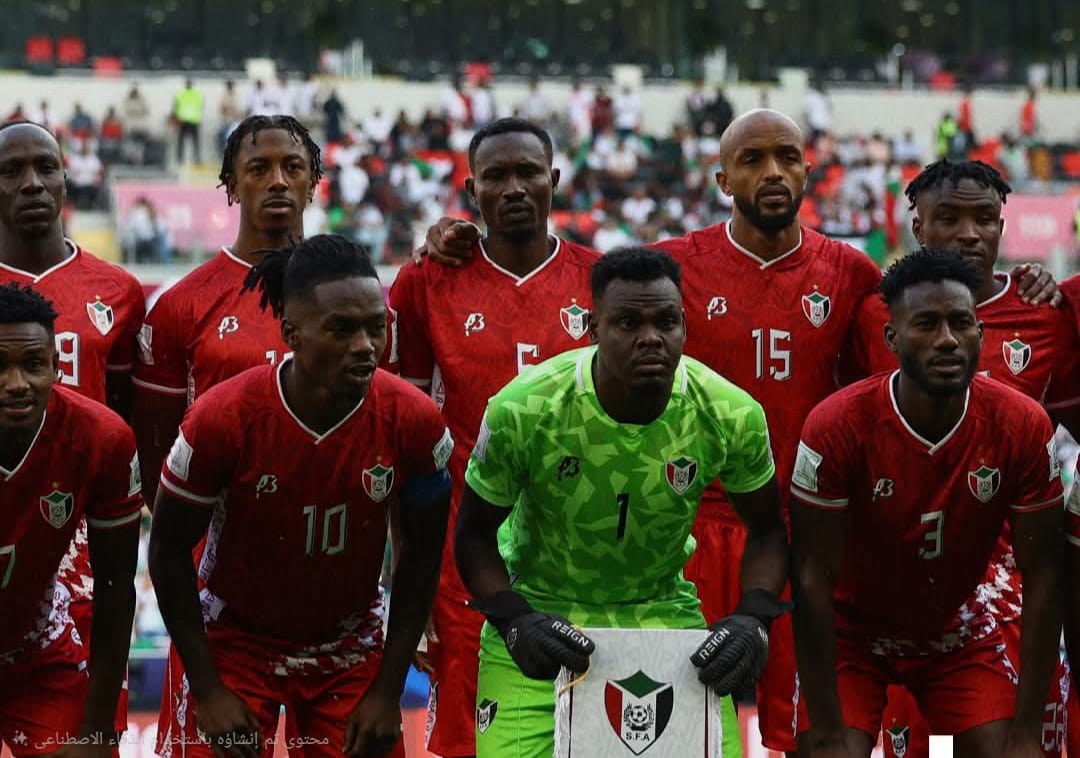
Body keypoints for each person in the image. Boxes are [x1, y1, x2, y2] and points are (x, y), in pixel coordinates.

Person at [418, 109, 1060, 757]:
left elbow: (892, 390)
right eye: (752, 160)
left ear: (808, 169)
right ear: (722, 178)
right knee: (632, 726)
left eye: (786, 157)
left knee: (797, 733)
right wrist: (453, 235)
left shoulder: (852, 275)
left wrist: (1026, 284)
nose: (772, 172)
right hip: (681, 527)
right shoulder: (673, 264)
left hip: (790, 528)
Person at [456, 247, 788, 758]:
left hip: (662, 617)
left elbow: (768, 530)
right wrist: (513, 620)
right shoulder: (523, 407)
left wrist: (754, 617)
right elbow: (474, 536)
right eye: (628, 323)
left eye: (666, 322)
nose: (650, 337)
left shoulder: (731, 413)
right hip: (541, 618)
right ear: (593, 328)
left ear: (685, 328)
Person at [149, 235, 451, 758]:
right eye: (342, 329)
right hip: (235, 643)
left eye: (375, 327)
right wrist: (208, 689)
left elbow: (422, 555)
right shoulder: (223, 418)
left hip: (349, 646)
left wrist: (388, 691)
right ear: (291, 333)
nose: (365, 345)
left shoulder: (415, 420)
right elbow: (167, 551)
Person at [846, 158, 1079, 758]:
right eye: (948, 218)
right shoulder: (872, 315)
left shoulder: (1046, 316)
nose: (968, 234)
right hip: (903, 588)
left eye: (984, 219)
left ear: (1003, 224)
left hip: (1011, 591)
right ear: (918, 226)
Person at [791, 248, 1064, 758]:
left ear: (981, 333)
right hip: (853, 635)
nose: (947, 339)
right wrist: (826, 728)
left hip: (958, 627)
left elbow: (1045, 573)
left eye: (960, 323)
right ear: (891, 337)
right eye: (926, 324)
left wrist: (1027, 732)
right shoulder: (836, 426)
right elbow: (810, 579)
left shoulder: (1022, 424)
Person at [389, 117, 600, 758]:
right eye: (495, 176)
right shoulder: (425, 282)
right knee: (467, 741)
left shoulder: (601, 281)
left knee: (590, 733)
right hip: (463, 556)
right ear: (470, 189)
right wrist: (408, 584)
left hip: (581, 554)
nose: (513, 188)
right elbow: (402, 441)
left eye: (527, 172)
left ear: (554, 181)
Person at [0, 120, 145, 742]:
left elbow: (127, 421)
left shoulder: (120, 290)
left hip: (83, 541)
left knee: (86, 732)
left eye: (46, 167)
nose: (32, 183)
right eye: (11, 171)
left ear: (67, 178)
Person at [173, 78, 204, 164]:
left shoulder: (180, 94)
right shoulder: (197, 94)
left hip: (183, 119)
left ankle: (180, 158)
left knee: (181, 141)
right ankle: (197, 158)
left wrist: (176, 118)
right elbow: (201, 106)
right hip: (194, 120)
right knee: (195, 141)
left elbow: (175, 107)